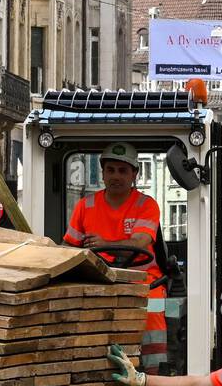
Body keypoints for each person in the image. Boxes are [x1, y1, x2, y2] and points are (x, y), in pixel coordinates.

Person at [64, 142, 167, 372]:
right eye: (110, 170)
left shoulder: (146, 205)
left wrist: (104, 244)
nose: (116, 176)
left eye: (122, 170)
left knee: (152, 312)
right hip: (99, 279)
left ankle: (153, 376)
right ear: (103, 172)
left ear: (134, 174)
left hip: (143, 282)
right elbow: (69, 247)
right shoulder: (85, 206)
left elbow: (141, 242)